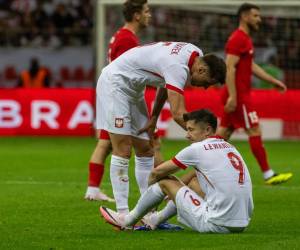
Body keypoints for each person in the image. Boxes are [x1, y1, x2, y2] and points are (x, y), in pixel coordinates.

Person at [96, 41, 226, 216]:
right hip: (114, 84)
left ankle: (147, 212)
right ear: (202, 70)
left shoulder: (194, 52)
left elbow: (166, 82)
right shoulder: (178, 66)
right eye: (208, 83)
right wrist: (208, 142)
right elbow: (178, 113)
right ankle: (123, 214)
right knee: (123, 149)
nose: (205, 88)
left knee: (146, 149)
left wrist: (154, 117)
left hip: (133, 89)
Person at [100, 109, 253, 233]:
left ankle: (127, 220)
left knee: (165, 181)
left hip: (216, 224)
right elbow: (198, 174)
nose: (187, 135)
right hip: (241, 223)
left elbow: (156, 173)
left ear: (207, 130)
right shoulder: (229, 147)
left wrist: (153, 198)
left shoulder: (197, 149)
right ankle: (155, 220)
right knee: (194, 184)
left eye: (191, 130)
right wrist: (179, 189)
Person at [217, 3, 292, 185]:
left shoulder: (245, 39)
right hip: (239, 96)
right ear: (244, 16)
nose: (259, 19)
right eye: (256, 15)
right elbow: (229, 67)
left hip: (237, 94)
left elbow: (250, 65)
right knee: (254, 129)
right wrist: (234, 97)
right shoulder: (238, 39)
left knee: (223, 134)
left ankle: (199, 166)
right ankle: (268, 174)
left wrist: (272, 81)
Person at [84, 0, 152, 202]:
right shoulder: (127, 40)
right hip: (119, 97)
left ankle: (92, 189)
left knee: (105, 143)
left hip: (114, 95)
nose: (150, 15)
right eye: (147, 11)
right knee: (142, 144)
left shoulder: (122, 36)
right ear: (137, 15)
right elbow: (126, 73)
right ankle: (158, 188)